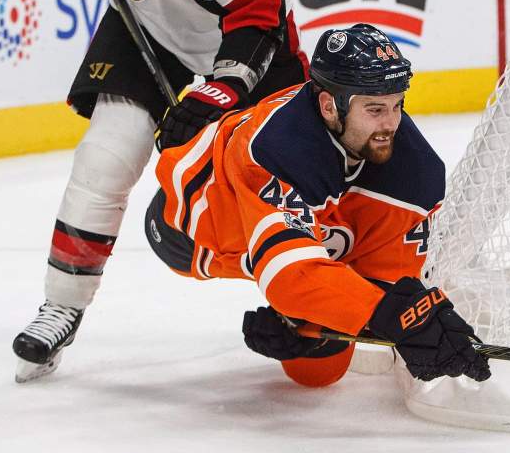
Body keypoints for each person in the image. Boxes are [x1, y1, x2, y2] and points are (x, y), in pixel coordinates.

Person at [0, 0, 308, 383]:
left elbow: (258, 8)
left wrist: (220, 88)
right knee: (103, 160)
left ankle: (318, 296)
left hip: (245, 39)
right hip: (149, 20)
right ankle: (61, 306)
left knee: (282, 186)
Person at [147, 24, 490, 388]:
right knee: (300, 284)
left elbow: (383, 287)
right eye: (375, 109)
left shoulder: (418, 175)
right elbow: (287, 277)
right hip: (199, 227)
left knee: (317, 371)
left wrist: (320, 326)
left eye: (396, 105)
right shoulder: (276, 148)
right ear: (329, 106)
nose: (391, 123)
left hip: (316, 218)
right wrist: (388, 315)